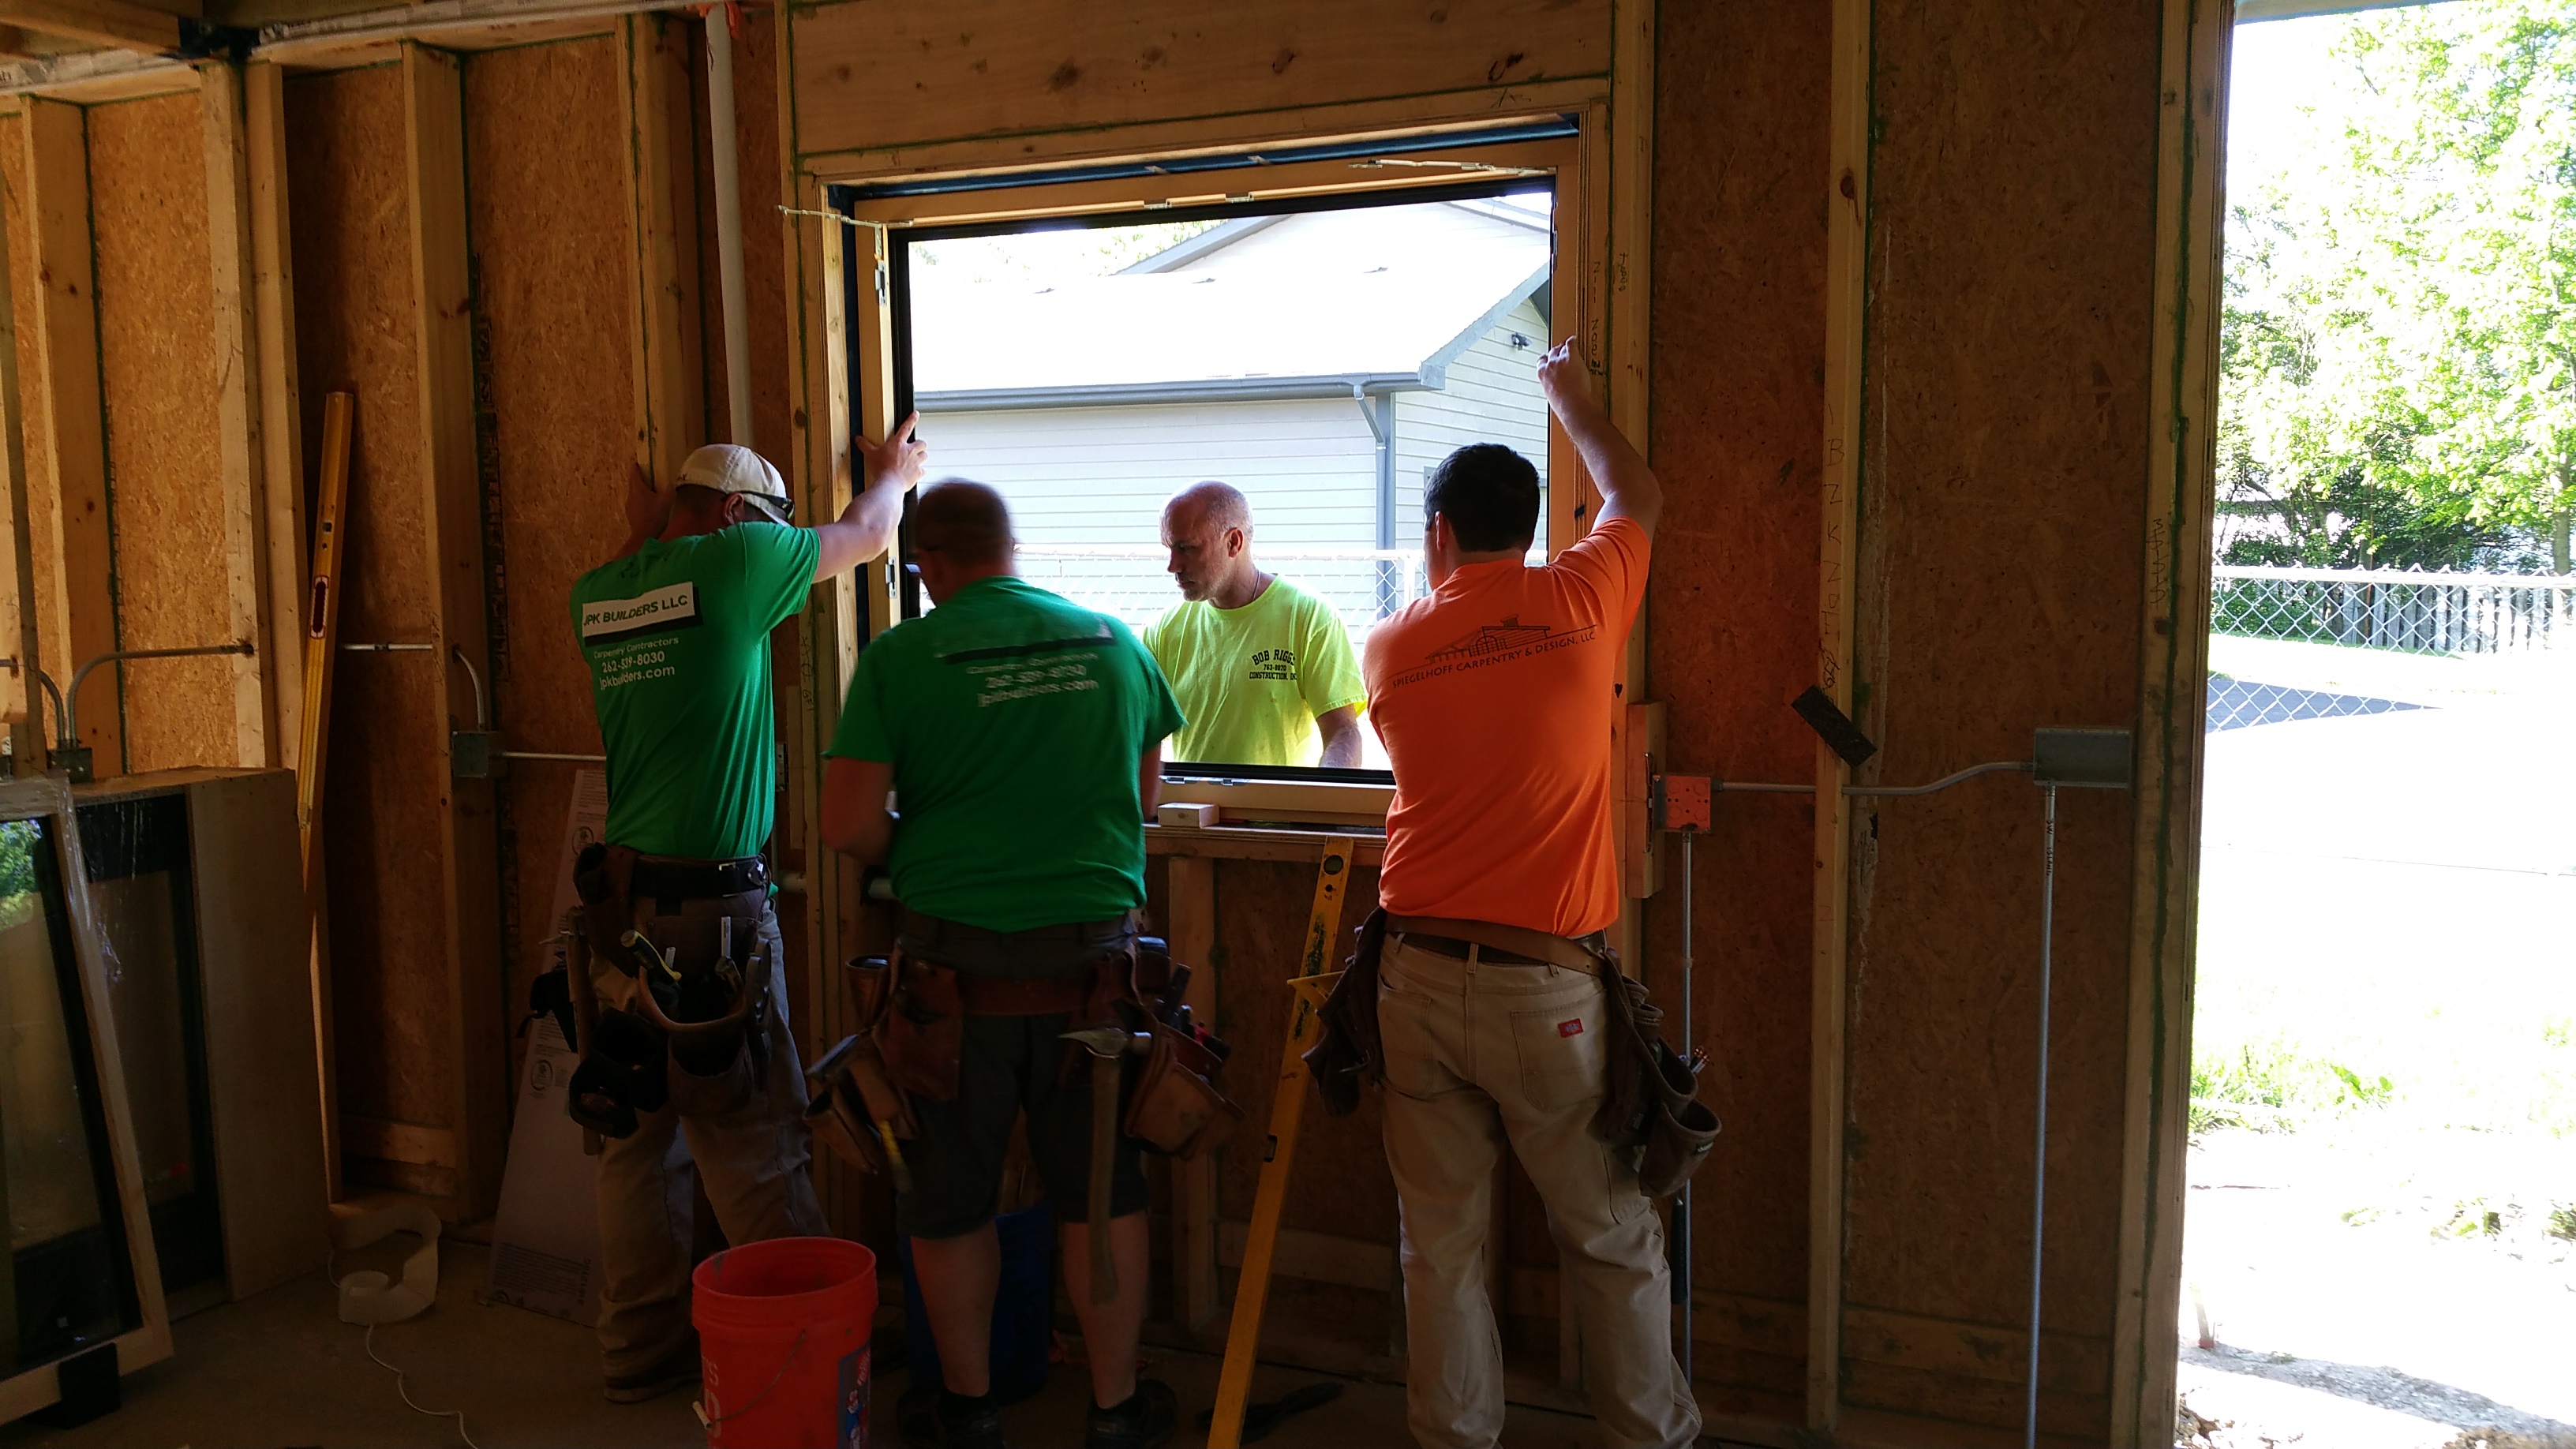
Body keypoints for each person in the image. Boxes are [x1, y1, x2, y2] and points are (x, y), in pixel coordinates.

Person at [1360, 343, 1696, 1449]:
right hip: (1545, 990)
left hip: (1411, 976)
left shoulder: (1392, 644)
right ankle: (1652, 1439)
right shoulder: (1584, 601)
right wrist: (1571, 395)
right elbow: (1635, 493)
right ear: (1533, 525)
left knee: (1439, 1246)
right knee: (1606, 1236)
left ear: (1439, 534)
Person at [818, 481, 1184, 1449]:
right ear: (1012, 549)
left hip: (950, 986)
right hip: (1097, 978)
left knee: (950, 1202)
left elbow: (850, 827)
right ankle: (1115, 1411)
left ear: (928, 564)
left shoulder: (904, 657)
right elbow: (1138, 799)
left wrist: (938, 845)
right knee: (1103, 1193)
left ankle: (969, 1413)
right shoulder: (1115, 642)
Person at [569, 422, 923, 1403]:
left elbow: (651, 576)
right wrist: (891, 476)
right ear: (735, 517)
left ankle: (635, 1353)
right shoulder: (739, 560)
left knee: (637, 1143)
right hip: (713, 917)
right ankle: (801, 1341)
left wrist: (644, 537)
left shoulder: (597, 594)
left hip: (620, 910)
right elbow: (865, 535)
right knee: (754, 1138)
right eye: (761, 524)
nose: (773, 542)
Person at [1143, 481, 1366, 768]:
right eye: (1170, 548)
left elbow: (1343, 733)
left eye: (1186, 548)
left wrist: (1321, 804)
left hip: (1283, 811)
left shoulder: (1308, 617)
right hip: (1194, 811)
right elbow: (1134, 732)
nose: (1173, 565)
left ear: (1233, 542)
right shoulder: (1163, 630)